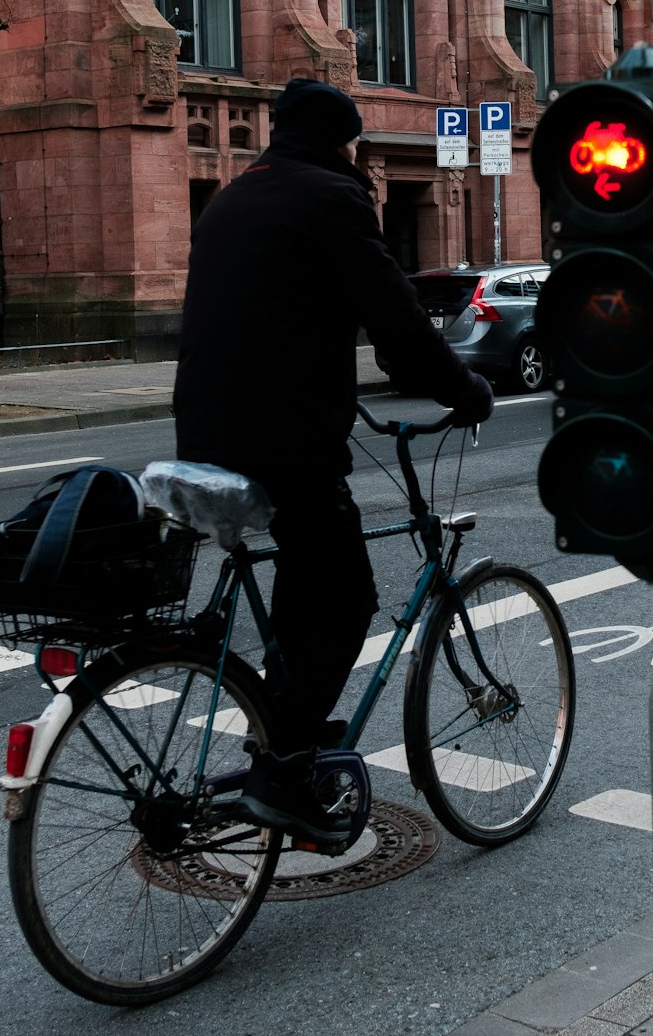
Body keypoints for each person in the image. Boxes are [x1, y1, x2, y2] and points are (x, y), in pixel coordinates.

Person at [172, 77, 494, 847]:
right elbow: (401, 329)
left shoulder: (231, 196)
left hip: (205, 432)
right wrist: (467, 389)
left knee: (302, 582)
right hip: (281, 437)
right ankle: (285, 767)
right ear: (342, 140)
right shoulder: (333, 197)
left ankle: (288, 738)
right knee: (346, 597)